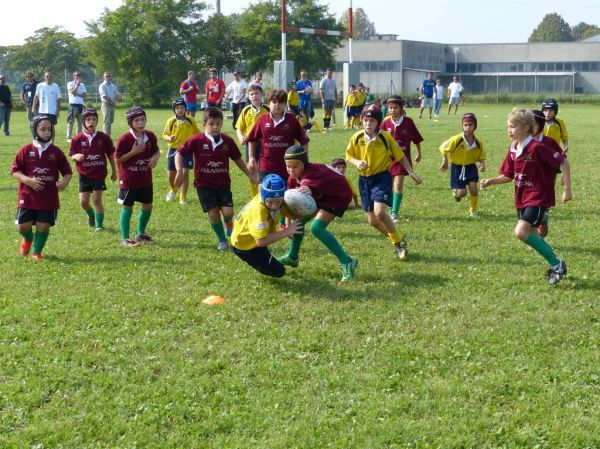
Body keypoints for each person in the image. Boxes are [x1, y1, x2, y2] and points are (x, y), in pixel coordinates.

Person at [480, 108, 569, 285]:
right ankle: (555, 264)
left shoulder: (537, 148)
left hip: (538, 196)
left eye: (513, 127)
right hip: (522, 197)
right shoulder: (513, 148)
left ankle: (557, 264)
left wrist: (567, 189)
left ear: (526, 127)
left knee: (521, 232)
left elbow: (563, 160)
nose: (509, 130)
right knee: (534, 235)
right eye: (508, 127)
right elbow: (509, 174)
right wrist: (491, 181)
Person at [346, 104, 422, 259]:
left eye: (372, 121)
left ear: (378, 122)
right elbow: (349, 156)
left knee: (380, 213)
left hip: (381, 178)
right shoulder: (357, 137)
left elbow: (400, 156)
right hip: (364, 180)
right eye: (365, 120)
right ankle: (398, 239)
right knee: (372, 221)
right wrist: (357, 162)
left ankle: (398, 244)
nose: (368, 124)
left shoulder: (386, 137)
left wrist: (411, 172)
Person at [175, 107, 255, 251]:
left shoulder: (227, 141)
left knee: (228, 213)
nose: (215, 127)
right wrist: (180, 170)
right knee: (212, 213)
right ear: (204, 124)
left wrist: (249, 174)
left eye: (218, 123)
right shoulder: (197, 140)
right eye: (211, 124)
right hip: (204, 185)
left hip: (223, 184)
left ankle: (228, 223)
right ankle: (222, 240)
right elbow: (179, 153)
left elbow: (237, 159)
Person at [279, 146, 357, 281]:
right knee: (297, 223)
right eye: (288, 166)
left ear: (304, 164)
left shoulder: (313, 173)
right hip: (321, 196)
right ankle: (292, 257)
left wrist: (309, 189)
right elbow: (289, 204)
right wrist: (287, 224)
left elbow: (309, 186)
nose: (291, 170)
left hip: (337, 196)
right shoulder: (292, 178)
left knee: (317, 228)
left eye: (295, 166)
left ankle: (347, 261)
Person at [10, 115, 73, 260]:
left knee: (43, 227)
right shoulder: (26, 150)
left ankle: (36, 252)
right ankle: (28, 238)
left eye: (49, 129)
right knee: (23, 227)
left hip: (48, 198)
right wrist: (28, 180)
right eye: (42, 129)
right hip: (27, 196)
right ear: (34, 130)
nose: (47, 132)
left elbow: (68, 172)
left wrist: (64, 183)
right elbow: (15, 170)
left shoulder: (55, 152)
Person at [231, 174, 303, 278]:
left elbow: (292, 213)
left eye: (278, 201)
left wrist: (302, 198)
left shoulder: (276, 200)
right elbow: (261, 241)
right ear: (264, 196)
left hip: (256, 239)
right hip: (244, 246)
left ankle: (264, 260)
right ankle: (254, 261)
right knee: (279, 272)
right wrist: (286, 232)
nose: (275, 205)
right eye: (270, 202)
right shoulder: (258, 210)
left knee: (271, 263)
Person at [115, 106, 160, 247]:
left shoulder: (150, 136)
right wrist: (133, 152)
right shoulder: (124, 139)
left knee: (147, 206)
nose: (141, 123)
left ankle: (140, 233)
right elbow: (118, 159)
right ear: (130, 123)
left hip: (145, 178)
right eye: (137, 120)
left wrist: (155, 158)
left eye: (143, 119)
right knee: (127, 207)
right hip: (129, 180)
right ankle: (125, 238)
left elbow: (157, 151)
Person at [245, 89, 309, 185]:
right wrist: (251, 158)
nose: (277, 105)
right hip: (266, 166)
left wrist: (303, 160)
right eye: (274, 102)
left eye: (281, 102)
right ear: (269, 103)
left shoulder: (292, 120)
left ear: (285, 104)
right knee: (266, 195)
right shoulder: (262, 120)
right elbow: (252, 139)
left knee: (288, 197)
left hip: (288, 167)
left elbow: (304, 141)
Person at [68, 108, 116, 231]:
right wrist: (76, 156)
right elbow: (72, 154)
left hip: (99, 174)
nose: (91, 122)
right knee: (83, 202)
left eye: (94, 119)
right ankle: (91, 216)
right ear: (83, 122)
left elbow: (111, 155)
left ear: (97, 121)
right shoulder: (77, 138)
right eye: (88, 119)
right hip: (84, 174)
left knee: (97, 200)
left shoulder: (103, 137)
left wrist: (114, 171)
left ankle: (99, 225)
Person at [380, 95, 423, 222]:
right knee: (388, 186)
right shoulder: (385, 122)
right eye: (390, 108)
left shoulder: (408, 122)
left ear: (401, 108)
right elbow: (379, 140)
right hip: (387, 160)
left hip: (403, 159)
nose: (392, 110)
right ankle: (391, 204)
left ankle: (394, 213)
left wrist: (419, 154)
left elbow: (417, 139)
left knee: (398, 184)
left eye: (395, 107)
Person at [531, 109, 572, 238]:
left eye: (532, 124)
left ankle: (542, 222)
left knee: (537, 216)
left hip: (545, 184)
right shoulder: (519, 142)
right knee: (528, 221)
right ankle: (535, 237)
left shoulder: (549, 143)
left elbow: (564, 161)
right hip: (526, 186)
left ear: (540, 125)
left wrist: (567, 189)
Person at [439, 113, 486, 217]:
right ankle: (456, 192)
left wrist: (482, 164)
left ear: (475, 126)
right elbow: (443, 148)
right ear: (462, 125)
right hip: (457, 168)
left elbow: (481, 155)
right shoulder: (456, 139)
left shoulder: (478, 142)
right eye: (465, 125)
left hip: (471, 168)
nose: (468, 127)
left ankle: (472, 211)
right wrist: (445, 160)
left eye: (470, 125)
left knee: (474, 189)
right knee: (462, 193)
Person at [163, 97, 199, 205]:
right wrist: (169, 138)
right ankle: (173, 190)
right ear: (174, 110)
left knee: (185, 172)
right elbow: (164, 134)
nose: (180, 110)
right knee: (171, 174)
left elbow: (196, 133)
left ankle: (183, 197)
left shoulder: (190, 120)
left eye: (182, 107)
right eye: (177, 108)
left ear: (185, 108)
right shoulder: (171, 121)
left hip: (187, 150)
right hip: (173, 150)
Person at [235, 84, 269, 198]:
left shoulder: (268, 109)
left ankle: (263, 193)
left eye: (257, 93)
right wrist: (240, 138)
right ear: (248, 97)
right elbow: (239, 127)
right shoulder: (245, 110)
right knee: (251, 168)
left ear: (262, 94)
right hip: (250, 144)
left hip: (265, 143)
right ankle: (254, 196)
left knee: (263, 168)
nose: (254, 96)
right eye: (252, 94)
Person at [98, 72, 122, 137]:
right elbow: (104, 96)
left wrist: (119, 97)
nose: (108, 77)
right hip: (106, 104)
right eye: (106, 76)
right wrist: (112, 102)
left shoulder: (113, 86)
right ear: (104, 77)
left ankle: (108, 135)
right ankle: (106, 137)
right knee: (107, 122)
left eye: (109, 76)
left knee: (111, 121)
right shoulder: (102, 86)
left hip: (112, 105)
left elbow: (117, 94)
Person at [66, 71, 87, 142]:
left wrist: (76, 93)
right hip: (73, 105)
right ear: (73, 76)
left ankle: (78, 136)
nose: (78, 76)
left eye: (79, 75)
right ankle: (69, 137)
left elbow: (84, 95)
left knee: (80, 122)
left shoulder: (83, 85)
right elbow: (72, 92)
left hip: (80, 105)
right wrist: (77, 86)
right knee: (71, 121)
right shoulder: (70, 83)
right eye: (76, 75)